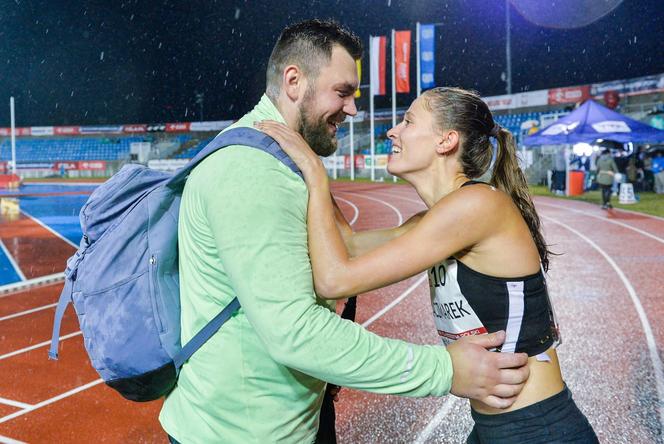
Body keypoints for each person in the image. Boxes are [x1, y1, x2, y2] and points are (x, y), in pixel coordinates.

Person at [159, 21, 529, 444]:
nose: (354, 109)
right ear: (294, 81)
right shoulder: (252, 170)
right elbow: (296, 332)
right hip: (244, 432)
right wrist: (444, 369)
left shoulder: (281, 160)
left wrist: (418, 229)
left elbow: (344, 250)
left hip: (285, 422)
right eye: (343, 92)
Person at [257, 86, 598, 443]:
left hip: (538, 429)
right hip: (494, 428)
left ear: (446, 141)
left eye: (407, 122)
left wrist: (313, 171)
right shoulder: (437, 218)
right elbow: (348, 245)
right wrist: (310, 155)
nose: (392, 131)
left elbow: (334, 280)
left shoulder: (477, 207)